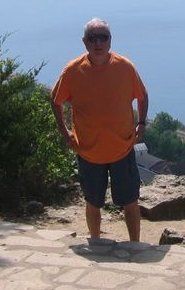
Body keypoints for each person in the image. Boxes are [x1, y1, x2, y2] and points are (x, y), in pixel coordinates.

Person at [50, 18, 149, 241]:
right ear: (84, 42)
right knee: (93, 202)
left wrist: (141, 123)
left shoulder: (125, 67)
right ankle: (95, 241)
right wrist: (65, 132)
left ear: (110, 41)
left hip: (121, 148)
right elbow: (55, 100)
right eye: (93, 38)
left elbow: (142, 96)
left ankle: (135, 244)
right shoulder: (73, 70)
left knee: (130, 201)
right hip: (89, 150)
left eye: (103, 37)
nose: (98, 43)